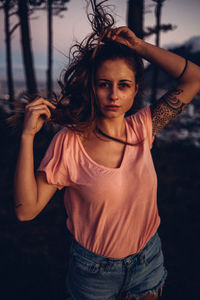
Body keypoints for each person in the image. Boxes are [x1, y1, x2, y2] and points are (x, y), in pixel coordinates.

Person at [14, 1, 200, 299]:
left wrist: (139, 46)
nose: (113, 95)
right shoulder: (69, 143)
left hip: (148, 260)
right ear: (92, 88)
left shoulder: (143, 128)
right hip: (94, 274)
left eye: (123, 85)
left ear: (135, 89)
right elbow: (26, 211)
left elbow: (194, 77)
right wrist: (27, 137)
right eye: (104, 84)